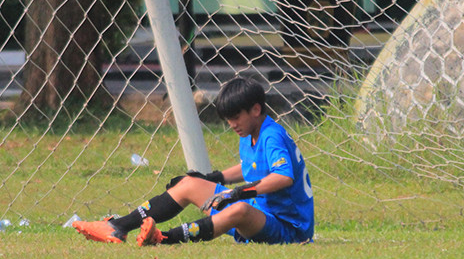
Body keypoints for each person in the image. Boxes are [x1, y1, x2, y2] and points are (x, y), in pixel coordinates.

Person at [73, 76, 314, 246]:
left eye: (235, 117)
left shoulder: (272, 135)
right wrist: (213, 178)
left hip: (289, 230)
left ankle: (164, 238)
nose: (232, 124)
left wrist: (236, 193)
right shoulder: (251, 131)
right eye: (228, 119)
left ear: (256, 109)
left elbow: (283, 177)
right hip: (261, 213)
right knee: (190, 183)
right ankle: (118, 226)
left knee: (239, 208)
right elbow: (252, 167)